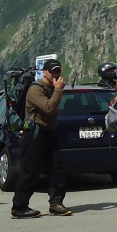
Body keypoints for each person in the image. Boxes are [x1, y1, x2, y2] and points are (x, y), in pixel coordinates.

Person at [11, 58, 73, 219]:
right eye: (52, 72)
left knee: (56, 169)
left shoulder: (53, 88)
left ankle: (56, 203)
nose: (56, 75)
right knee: (30, 170)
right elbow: (48, 108)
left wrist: (57, 90)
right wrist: (58, 90)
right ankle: (19, 207)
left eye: (58, 71)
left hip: (50, 131)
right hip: (35, 133)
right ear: (45, 72)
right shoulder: (35, 89)